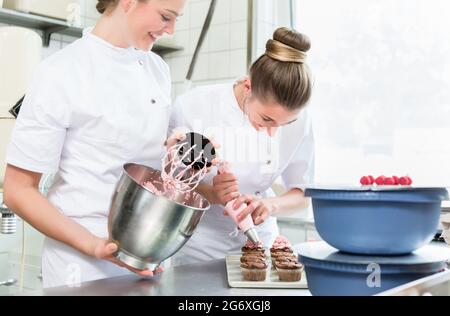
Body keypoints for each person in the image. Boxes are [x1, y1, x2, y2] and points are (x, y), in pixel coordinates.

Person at [3, 0, 186, 288]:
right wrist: (92, 245)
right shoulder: (60, 72)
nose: (172, 30)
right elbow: (17, 190)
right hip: (82, 266)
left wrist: (177, 152)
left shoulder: (157, 70)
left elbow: (143, 162)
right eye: (165, 17)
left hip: (149, 260)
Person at [169, 27, 315, 266]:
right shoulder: (196, 108)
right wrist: (212, 194)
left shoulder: (303, 121)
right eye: (266, 119)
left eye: (286, 123)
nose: (273, 132)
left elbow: (302, 193)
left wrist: (269, 205)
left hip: (262, 242)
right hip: (199, 248)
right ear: (248, 86)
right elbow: (174, 182)